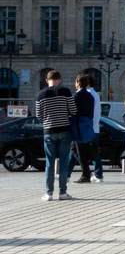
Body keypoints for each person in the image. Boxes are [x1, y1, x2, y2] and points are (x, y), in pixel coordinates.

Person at [35, 70, 77, 201]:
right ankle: (63, 193)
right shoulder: (65, 92)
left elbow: (38, 115)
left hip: (48, 131)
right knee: (64, 162)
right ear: (59, 79)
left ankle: (49, 193)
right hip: (64, 130)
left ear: (47, 80)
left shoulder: (40, 95)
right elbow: (73, 110)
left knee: (49, 162)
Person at [70, 73, 97, 184]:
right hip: (87, 124)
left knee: (78, 150)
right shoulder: (90, 96)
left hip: (78, 125)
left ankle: (86, 174)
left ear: (78, 83)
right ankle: (86, 171)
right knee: (78, 149)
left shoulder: (77, 96)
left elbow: (73, 111)